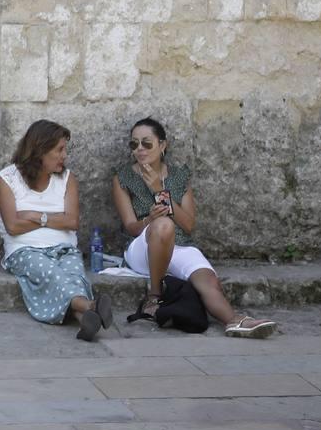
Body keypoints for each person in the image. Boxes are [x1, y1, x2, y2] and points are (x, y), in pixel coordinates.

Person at [112, 117, 276, 339]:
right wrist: (149, 219)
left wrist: (160, 190)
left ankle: (235, 321)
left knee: (207, 279)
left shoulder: (179, 176)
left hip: (179, 245)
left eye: (147, 143)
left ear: (162, 145)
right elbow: (131, 227)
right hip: (145, 245)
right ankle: (154, 296)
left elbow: (188, 225)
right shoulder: (123, 177)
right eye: (134, 144)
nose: (139, 149)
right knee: (163, 225)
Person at [0, 120, 112, 341]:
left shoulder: (67, 179)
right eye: (59, 150)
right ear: (40, 150)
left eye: (64, 149)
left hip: (65, 247)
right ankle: (90, 305)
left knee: (74, 276)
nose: (64, 155)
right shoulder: (8, 179)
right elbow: (13, 226)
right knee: (53, 274)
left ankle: (84, 318)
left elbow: (72, 222)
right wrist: (56, 219)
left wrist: (36, 216)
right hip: (24, 250)